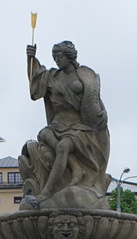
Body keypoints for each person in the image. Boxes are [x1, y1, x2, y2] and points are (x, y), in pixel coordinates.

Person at [19, 41, 111, 208]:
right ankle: (75, 167)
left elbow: (94, 98)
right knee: (43, 134)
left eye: (59, 56)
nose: (56, 60)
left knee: (63, 147)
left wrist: (103, 112)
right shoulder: (52, 76)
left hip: (78, 127)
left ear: (69, 56)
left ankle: (46, 192)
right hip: (58, 124)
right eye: (54, 57)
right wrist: (30, 57)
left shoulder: (84, 74)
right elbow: (36, 84)